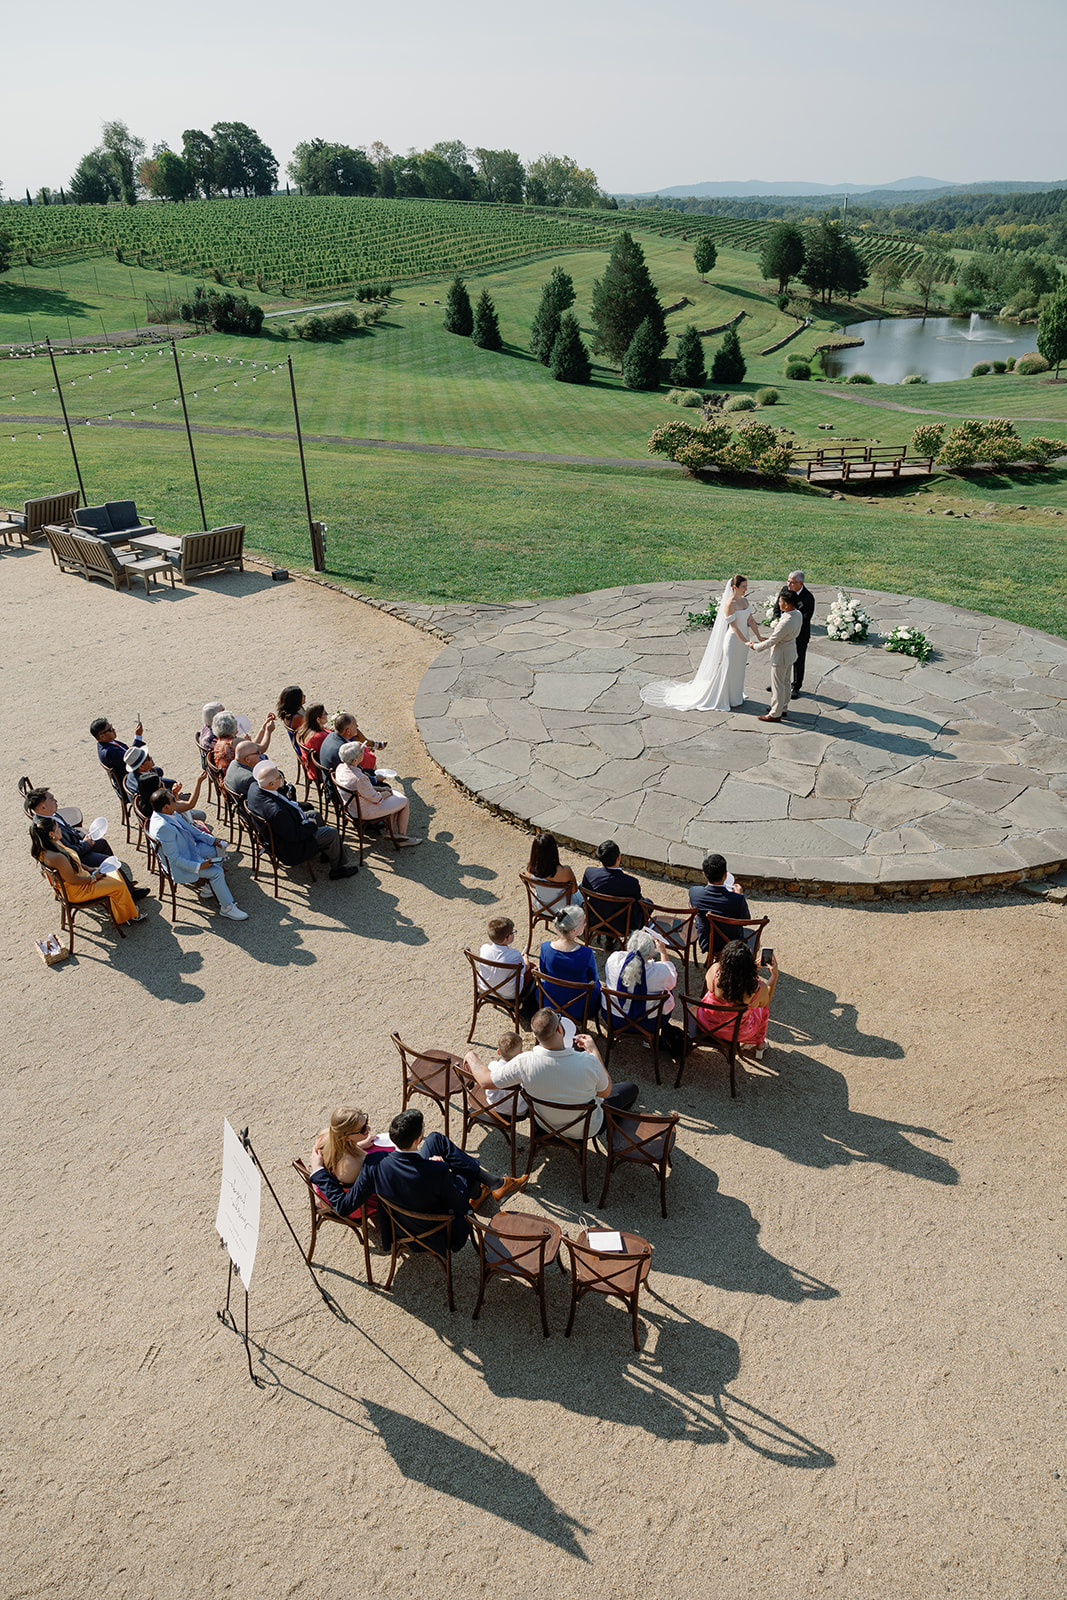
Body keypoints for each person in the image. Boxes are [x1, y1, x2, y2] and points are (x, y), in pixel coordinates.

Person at [309, 1108, 526, 1254]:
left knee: (435, 1139)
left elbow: (349, 1155)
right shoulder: (366, 1165)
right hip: (422, 1220)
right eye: (364, 1128)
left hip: (395, 1193)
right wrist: (440, 1168)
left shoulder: (332, 1140)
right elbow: (345, 1205)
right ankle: (482, 1189)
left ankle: (494, 1184)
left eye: (367, 1122)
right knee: (462, 1177)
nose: (369, 1129)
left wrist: (359, 1144)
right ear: (347, 1135)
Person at [464, 1008, 638, 1139]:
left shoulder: (524, 1062)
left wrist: (471, 1056)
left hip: (546, 1124)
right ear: (561, 1030)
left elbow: (485, 1081)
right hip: (586, 1128)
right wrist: (594, 1051)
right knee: (631, 1088)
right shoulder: (588, 1062)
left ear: (534, 1035)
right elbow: (605, 1092)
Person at [640, 574, 764, 712]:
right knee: (729, 668)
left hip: (744, 641)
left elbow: (751, 620)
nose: (745, 590)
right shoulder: (730, 604)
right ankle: (723, 697)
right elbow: (734, 627)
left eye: (746, 587)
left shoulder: (745, 601)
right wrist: (746, 641)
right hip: (734, 641)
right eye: (743, 587)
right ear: (734, 587)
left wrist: (758, 636)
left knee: (739, 668)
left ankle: (735, 697)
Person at [21, 784, 147, 896]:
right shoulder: (47, 828)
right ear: (42, 807)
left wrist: (83, 838)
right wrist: (86, 845)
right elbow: (68, 852)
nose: (56, 801)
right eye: (52, 799)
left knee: (102, 843)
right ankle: (129, 892)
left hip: (76, 846)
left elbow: (69, 829)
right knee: (107, 861)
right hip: (74, 861)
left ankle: (123, 882)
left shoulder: (50, 814)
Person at [148, 789, 249, 921]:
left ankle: (211, 886)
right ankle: (227, 907)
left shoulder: (168, 813)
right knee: (217, 871)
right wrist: (199, 866)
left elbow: (193, 831)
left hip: (188, 849)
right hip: (181, 864)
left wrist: (214, 840)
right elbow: (174, 860)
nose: (176, 800)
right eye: (173, 799)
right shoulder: (163, 827)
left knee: (217, 851)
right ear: (166, 807)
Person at [245, 762, 358, 879]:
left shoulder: (255, 787)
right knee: (332, 833)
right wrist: (311, 826)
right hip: (290, 847)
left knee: (315, 814)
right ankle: (338, 869)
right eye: (279, 777)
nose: (282, 778)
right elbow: (294, 835)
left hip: (282, 829)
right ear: (271, 784)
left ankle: (327, 850)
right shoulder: (277, 811)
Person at [30, 818, 146, 926]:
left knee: (114, 872)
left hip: (80, 879)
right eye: (57, 828)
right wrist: (93, 878)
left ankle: (121, 910)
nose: (60, 829)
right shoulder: (56, 856)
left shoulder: (48, 847)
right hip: (79, 889)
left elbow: (73, 860)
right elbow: (72, 879)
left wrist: (89, 869)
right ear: (51, 834)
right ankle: (129, 915)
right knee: (119, 885)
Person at [604, 927, 683, 1057]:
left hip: (614, 1017)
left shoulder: (613, 960)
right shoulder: (661, 973)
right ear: (651, 955)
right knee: (667, 991)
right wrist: (663, 951)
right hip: (649, 1023)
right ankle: (649, 1038)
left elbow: (625, 956)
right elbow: (672, 979)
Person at [698, 939, 779, 1061]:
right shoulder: (757, 988)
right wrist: (774, 976)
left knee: (711, 994)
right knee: (763, 1008)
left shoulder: (715, 970)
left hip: (706, 1022)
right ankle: (760, 1044)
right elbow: (766, 1001)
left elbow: (719, 987)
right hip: (736, 1032)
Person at [333, 742, 421, 847]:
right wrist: (387, 792)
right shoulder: (359, 778)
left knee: (394, 796)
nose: (363, 752)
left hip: (351, 806)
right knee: (404, 800)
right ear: (355, 760)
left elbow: (362, 789)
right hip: (364, 811)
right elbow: (377, 799)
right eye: (361, 752)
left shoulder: (340, 768)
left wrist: (381, 788)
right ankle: (402, 838)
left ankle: (391, 832)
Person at [538, 905, 600, 1020]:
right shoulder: (586, 953)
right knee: (599, 985)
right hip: (579, 1006)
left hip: (550, 1001)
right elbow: (593, 978)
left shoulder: (545, 947)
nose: (585, 924)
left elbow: (544, 972)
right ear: (574, 930)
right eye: (583, 922)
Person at [749, 592, 802, 723]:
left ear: (787, 604)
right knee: (785, 682)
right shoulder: (798, 614)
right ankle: (783, 708)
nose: (779, 603)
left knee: (777, 685)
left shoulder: (786, 622)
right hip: (790, 652)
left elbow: (773, 640)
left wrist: (756, 646)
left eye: (780, 601)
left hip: (781, 656)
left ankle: (775, 713)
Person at [580, 839, 650, 938]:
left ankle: (609, 938)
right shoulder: (631, 882)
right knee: (648, 903)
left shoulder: (589, 873)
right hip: (621, 927)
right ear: (619, 858)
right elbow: (638, 904)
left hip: (595, 921)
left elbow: (585, 895)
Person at [689, 852, 752, 958]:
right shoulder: (737, 899)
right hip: (733, 944)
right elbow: (746, 921)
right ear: (725, 875)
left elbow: (692, 907)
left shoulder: (694, 893)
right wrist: (740, 894)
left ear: (704, 874)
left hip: (708, 943)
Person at [477, 916, 535, 1018]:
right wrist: (525, 960)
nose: (513, 934)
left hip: (485, 988)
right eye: (512, 932)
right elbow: (524, 969)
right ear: (507, 937)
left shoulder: (484, 949)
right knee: (532, 968)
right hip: (510, 994)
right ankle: (528, 1005)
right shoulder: (514, 954)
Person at [772, 571, 816, 698]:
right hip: (783, 632)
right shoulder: (785, 589)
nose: (789, 584)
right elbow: (777, 607)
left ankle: (796, 686)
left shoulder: (808, 598)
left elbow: (806, 618)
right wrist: (776, 620)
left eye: (792, 582)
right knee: (782, 657)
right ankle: (780, 683)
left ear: (800, 583)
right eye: (788, 581)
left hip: (800, 634)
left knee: (798, 659)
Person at [525, 832, 582, 908]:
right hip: (563, 910)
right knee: (580, 889)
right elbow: (574, 890)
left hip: (541, 907)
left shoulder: (531, 869)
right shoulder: (565, 870)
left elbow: (532, 885)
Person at [90, 715, 144, 787]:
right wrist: (138, 737)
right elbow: (132, 758)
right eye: (110, 729)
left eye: (111, 727)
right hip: (131, 781)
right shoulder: (109, 752)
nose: (114, 730)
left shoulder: (107, 743)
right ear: (102, 736)